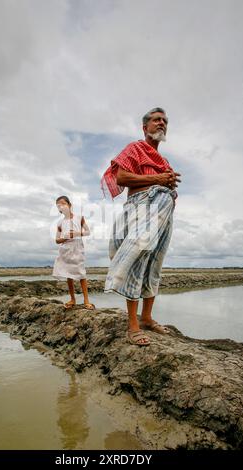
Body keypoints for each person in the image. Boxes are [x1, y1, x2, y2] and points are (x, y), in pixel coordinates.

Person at [101, 107, 181, 346]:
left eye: (165, 121)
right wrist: (159, 180)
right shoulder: (134, 148)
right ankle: (133, 326)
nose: (162, 123)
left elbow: (165, 184)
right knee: (139, 256)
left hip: (162, 210)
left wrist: (168, 187)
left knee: (155, 261)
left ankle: (146, 318)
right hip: (140, 207)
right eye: (156, 120)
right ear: (145, 127)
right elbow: (122, 179)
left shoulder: (164, 161)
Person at [52, 195, 95, 310]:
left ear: (69, 205)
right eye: (59, 205)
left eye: (63, 203)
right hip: (65, 249)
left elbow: (88, 232)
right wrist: (65, 238)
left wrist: (75, 234)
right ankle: (72, 299)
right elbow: (57, 240)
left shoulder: (79, 217)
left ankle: (86, 300)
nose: (61, 206)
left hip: (77, 247)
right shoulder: (60, 223)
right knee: (68, 274)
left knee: (81, 273)